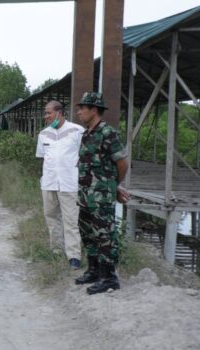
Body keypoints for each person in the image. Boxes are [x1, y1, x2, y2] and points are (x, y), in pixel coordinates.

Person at [74, 92, 130, 295]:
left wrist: (113, 186)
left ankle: (109, 278)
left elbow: (122, 163)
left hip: (101, 196)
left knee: (105, 235)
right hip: (85, 196)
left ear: (94, 110)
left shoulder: (108, 133)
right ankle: (94, 270)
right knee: (87, 233)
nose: (79, 111)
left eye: (83, 108)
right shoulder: (87, 133)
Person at [36, 100, 84, 269]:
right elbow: (42, 158)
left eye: (48, 113)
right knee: (51, 218)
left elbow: (84, 156)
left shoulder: (77, 131)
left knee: (70, 221)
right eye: (45, 113)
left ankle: (73, 256)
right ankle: (56, 251)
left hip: (69, 183)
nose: (46, 116)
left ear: (59, 112)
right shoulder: (44, 134)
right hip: (49, 183)